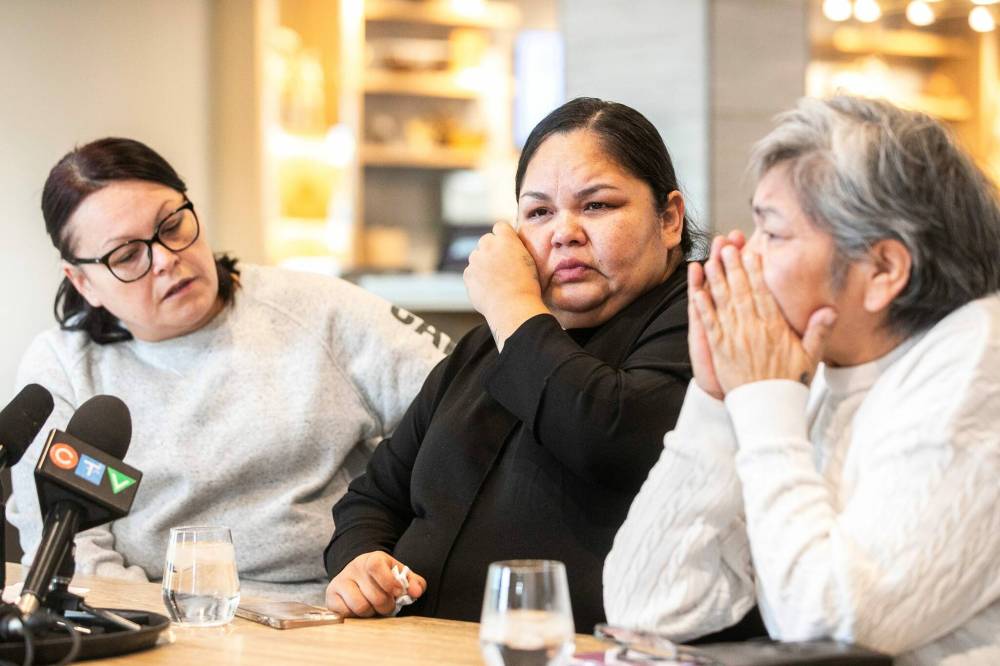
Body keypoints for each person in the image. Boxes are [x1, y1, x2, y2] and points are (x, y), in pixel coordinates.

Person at [604, 96, 1000, 664]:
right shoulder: (818, 366)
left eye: (774, 234)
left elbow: (831, 627)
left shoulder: (976, 365)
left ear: (884, 269)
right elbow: (643, 608)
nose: (740, 255)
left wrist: (764, 402)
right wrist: (716, 398)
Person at [9, 137, 451, 603]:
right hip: (157, 627)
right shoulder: (63, 367)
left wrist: (386, 542)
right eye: (126, 256)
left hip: (331, 614)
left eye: (173, 226)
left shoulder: (319, 309)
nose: (165, 259)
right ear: (82, 282)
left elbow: (465, 405)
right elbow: (69, 553)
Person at [323, 97, 704, 633]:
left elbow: (614, 439)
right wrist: (359, 560)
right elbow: (373, 497)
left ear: (668, 219)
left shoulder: (701, 313)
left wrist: (513, 308)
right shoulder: (490, 343)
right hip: (416, 647)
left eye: (597, 205)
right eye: (539, 212)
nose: (564, 232)